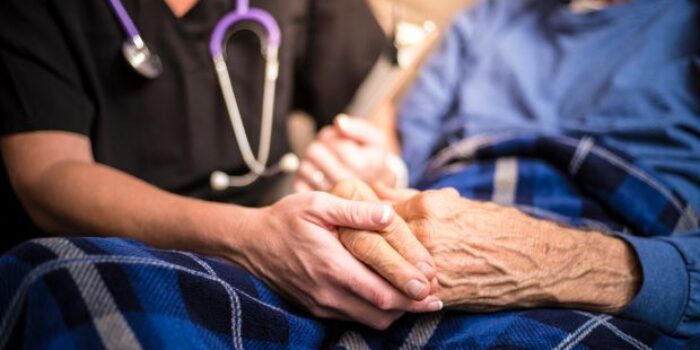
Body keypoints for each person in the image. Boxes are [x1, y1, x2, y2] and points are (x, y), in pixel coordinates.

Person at [0, 0, 444, 334]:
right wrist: (250, 238)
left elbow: (369, 102)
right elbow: (46, 174)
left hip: (290, 249)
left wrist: (372, 163)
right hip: (117, 257)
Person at [296, 0, 700, 344]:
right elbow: (407, 160)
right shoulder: (486, 17)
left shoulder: (685, 25)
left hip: (625, 231)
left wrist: (555, 263)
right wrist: (377, 169)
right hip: (445, 213)